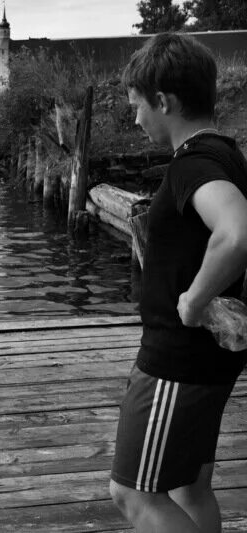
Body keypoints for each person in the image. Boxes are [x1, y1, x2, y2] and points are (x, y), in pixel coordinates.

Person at [109, 33, 247, 532]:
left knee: (133, 493)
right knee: (190, 487)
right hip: (210, 358)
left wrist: (192, 300)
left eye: (138, 106)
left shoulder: (193, 164)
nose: (136, 119)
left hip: (177, 362)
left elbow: (236, 233)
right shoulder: (226, 154)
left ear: (164, 101)